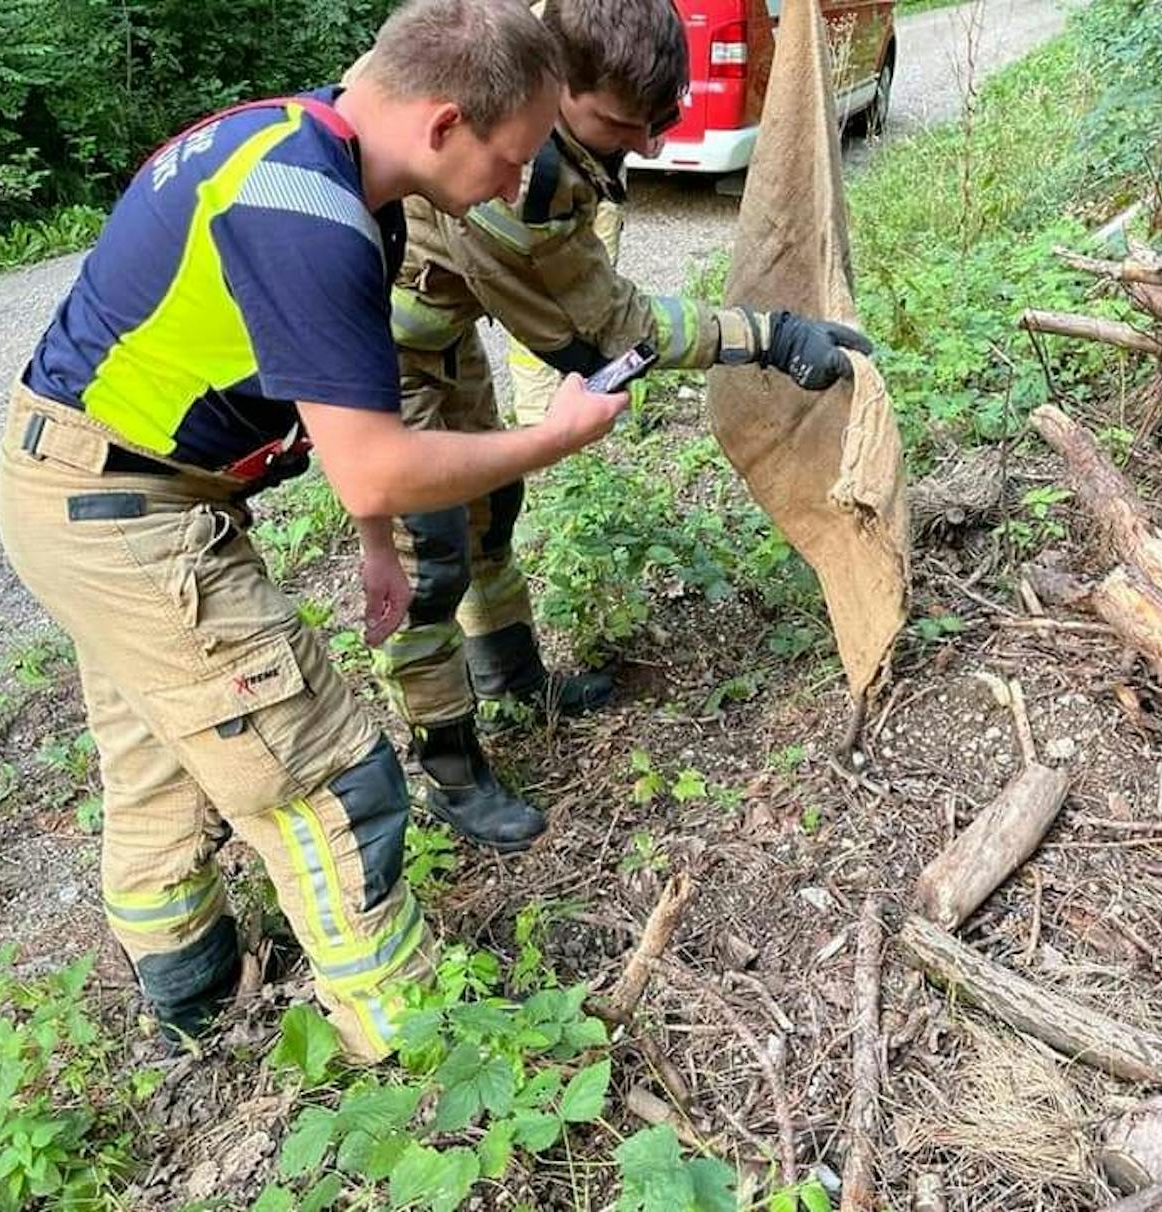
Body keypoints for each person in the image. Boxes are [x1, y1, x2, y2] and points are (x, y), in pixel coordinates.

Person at [0, 0, 629, 1063]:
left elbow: (341, 413)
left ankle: (190, 994)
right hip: (120, 512)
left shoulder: (315, 154)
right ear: (441, 124)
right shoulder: (310, 216)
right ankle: (419, 1049)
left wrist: (374, 541)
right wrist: (551, 439)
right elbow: (376, 458)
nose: (517, 184)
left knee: (158, 753)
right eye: (511, 156)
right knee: (329, 777)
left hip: (88, 489)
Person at [359, 0, 871, 855]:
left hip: (441, 335)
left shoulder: (545, 56)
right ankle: (451, 768)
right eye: (624, 125)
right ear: (558, 81)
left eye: (659, 118)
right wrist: (769, 337)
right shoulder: (512, 181)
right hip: (382, 362)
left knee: (493, 509)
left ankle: (511, 674)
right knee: (430, 555)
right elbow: (609, 333)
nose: (650, 146)